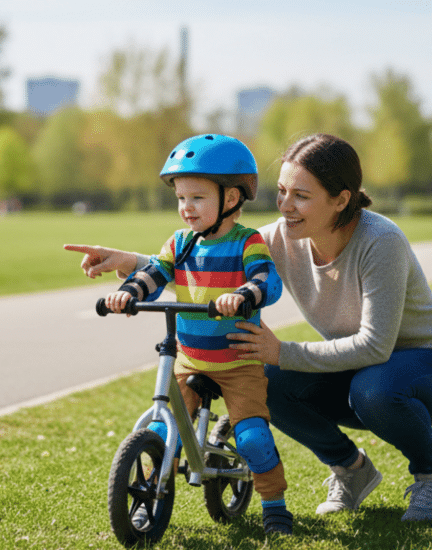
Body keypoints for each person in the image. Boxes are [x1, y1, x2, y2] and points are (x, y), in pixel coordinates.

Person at [65, 133, 432, 522]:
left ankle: (429, 475)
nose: (285, 206)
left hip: (415, 364)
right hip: (360, 367)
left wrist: (282, 351)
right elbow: (210, 266)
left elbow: (375, 347)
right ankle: (351, 470)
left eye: (301, 196)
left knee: (372, 387)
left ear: (341, 199)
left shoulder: (381, 241)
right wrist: (131, 261)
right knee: (265, 378)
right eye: (281, 191)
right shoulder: (281, 237)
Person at [103, 134, 293, 535]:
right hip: (189, 357)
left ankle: (274, 502)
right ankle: (150, 496)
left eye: (197, 198)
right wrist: (127, 293)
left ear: (231, 198)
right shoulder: (180, 243)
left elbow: (267, 280)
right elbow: (155, 273)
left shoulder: (248, 241)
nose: (186, 208)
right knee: (160, 430)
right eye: (181, 198)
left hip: (239, 362)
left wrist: (245, 294)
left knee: (254, 438)